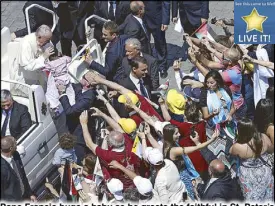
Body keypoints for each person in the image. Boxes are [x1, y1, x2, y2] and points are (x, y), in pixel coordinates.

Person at [79, 110, 141, 189]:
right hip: (136, 181)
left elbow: (89, 144)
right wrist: (102, 114)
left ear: (110, 144)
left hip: (122, 188)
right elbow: (117, 127)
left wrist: (84, 124)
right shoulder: (128, 143)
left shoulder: (109, 156)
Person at [229, 118, 274, 201]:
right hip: (265, 173)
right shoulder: (263, 137)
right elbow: (271, 150)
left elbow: (231, 151)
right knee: (267, 196)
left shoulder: (238, 146)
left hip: (249, 177)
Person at [57, 76, 97, 164]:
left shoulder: (88, 97)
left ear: (88, 83)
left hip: (80, 136)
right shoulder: (80, 87)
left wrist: (62, 93)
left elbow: (70, 111)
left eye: (84, 77)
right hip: (73, 130)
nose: (81, 77)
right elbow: (74, 87)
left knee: (79, 159)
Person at [10, 25, 55, 96]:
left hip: (38, 75)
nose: (48, 42)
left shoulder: (43, 41)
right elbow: (28, 66)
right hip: (25, 79)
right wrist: (43, 57)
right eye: (46, 40)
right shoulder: (26, 44)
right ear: (39, 37)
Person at [1, 136, 36, 201]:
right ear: (11, 148)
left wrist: (30, 193)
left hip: (25, 196)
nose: (17, 143)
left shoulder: (16, 155)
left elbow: (23, 175)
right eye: (15, 143)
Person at [143, 1, 170, 79]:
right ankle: (147, 65)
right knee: (144, 43)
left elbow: (166, 3)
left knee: (160, 43)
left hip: (157, 19)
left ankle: (162, 66)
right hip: (143, 18)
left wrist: (165, 21)